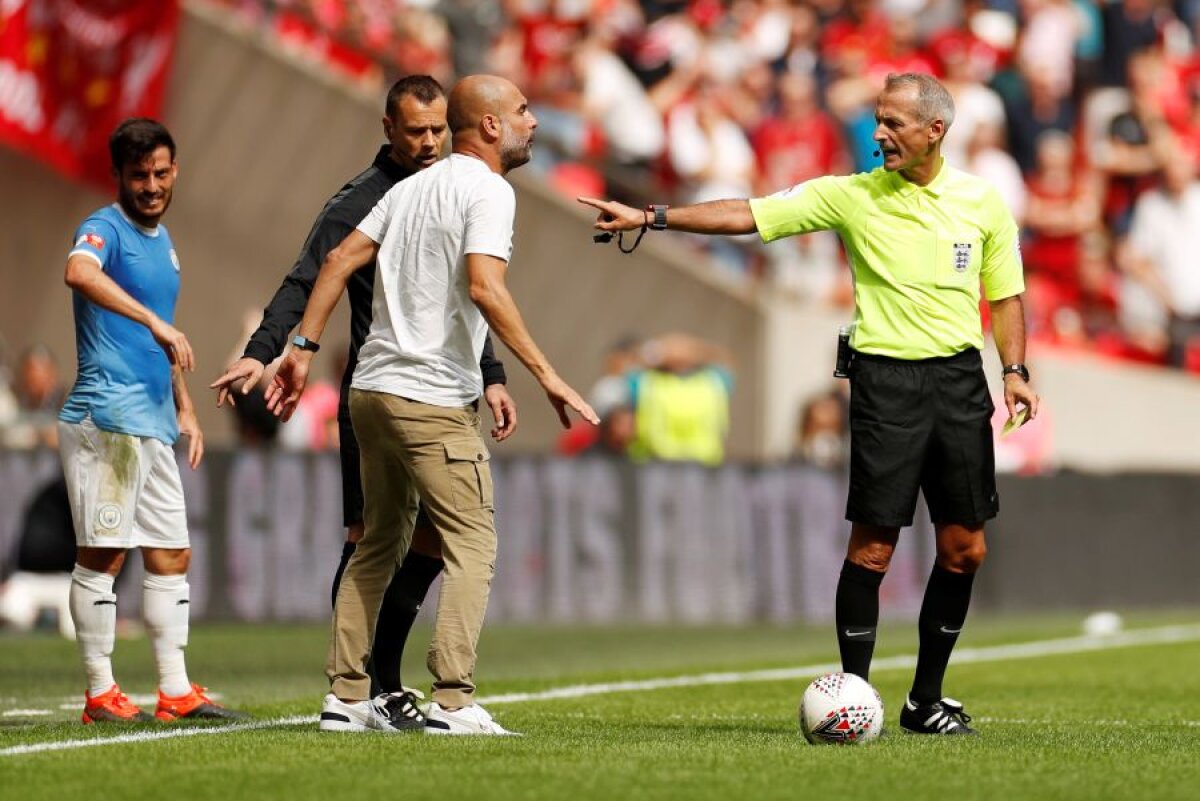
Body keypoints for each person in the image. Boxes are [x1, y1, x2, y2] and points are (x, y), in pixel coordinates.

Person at [581, 72, 1040, 736]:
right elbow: (750, 212)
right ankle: (853, 694)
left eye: (893, 123)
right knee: (874, 548)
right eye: (877, 120)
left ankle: (924, 700)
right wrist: (653, 217)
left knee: (965, 548)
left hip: (960, 385)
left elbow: (1006, 297)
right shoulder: (850, 196)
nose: (878, 133)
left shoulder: (983, 203)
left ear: (935, 131)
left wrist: (1016, 369)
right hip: (885, 384)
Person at [266, 74, 597, 736]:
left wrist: (304, 345)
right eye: (524, 111)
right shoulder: (490, 192)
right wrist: (548, 374)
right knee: (471, 538)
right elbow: (485, 286)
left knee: (378, 542)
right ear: (493, 127)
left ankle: (346, 696)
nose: (534, 122)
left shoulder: (410, 189)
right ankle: (453, 698)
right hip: (430, 399)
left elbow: (336, 262)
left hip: (369, 393)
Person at [210, 78, 517, 733]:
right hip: (381, 386)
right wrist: (269, 349)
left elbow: (464, 294)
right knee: (372, 538)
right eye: (415, 131)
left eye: (438, 129)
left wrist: (491, 372)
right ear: (388, 128)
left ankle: (377, 681)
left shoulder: (445, 185)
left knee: (431, 539)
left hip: (443, 385)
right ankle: (367, 688)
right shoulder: (362, 200)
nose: (429, 142)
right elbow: (305, 276)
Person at [58, 118, 247, 724]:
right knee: (104, 556)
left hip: (152, 423)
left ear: (175, 171)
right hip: (104, 420)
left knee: (171, 555)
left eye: (161, 173)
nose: (150, 185)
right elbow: (79, 274)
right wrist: (156, 322)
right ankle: (98, 694)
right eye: (138, 175)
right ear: (118, 176)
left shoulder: (163, 242)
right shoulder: (102, 229)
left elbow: (159, 340)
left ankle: (175, 691)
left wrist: (185, 406)